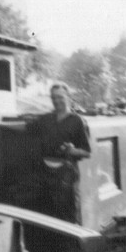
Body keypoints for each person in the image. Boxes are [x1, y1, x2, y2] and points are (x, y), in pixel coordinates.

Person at [26, 82, 91, 224]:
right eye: (53, 97)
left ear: (68, 97)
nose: (56, 101)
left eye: (60, 97)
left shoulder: (77, 121)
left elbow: (87, 152)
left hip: (66, 175)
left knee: (69, 216)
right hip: (45, 174)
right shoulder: (46, 119)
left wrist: (72, 151)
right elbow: (26, 127)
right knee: (48, 216)